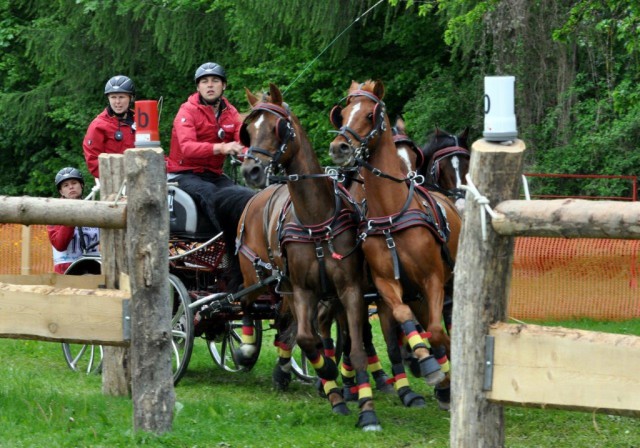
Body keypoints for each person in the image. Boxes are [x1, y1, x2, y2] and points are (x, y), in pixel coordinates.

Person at [166, 62, 255, 292]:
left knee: (246, 196)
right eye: (204, 82)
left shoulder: (230, 111)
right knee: (212, 195)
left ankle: (251, 246)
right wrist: (222, 149)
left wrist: (249, 155)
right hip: (183, 173)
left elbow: (243, 140)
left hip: (213, 174)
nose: (210, 85)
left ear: (223, 85)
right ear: (198, 87)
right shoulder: (187, 111)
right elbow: (186, 148)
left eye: (215, 81)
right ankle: (232, 248)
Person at [47, 167, 100, 274]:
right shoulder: (54, 213)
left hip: (94, 269)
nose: (71, 187)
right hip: (67, 272)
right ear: (61, 191)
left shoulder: (95, 210)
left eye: (74, 183)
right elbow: (60, 245)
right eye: (66, 185)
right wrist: (72, 216)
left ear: (81, 185)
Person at [83, 75, 136, 180]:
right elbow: (93, 161)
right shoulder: (98, 125)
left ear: (131, 98)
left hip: (141, 178)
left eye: (121, 97)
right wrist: (117, 177)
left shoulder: (141, 120)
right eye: (113, 97)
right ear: (108, 98)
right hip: (113, 182)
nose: (117, 102)